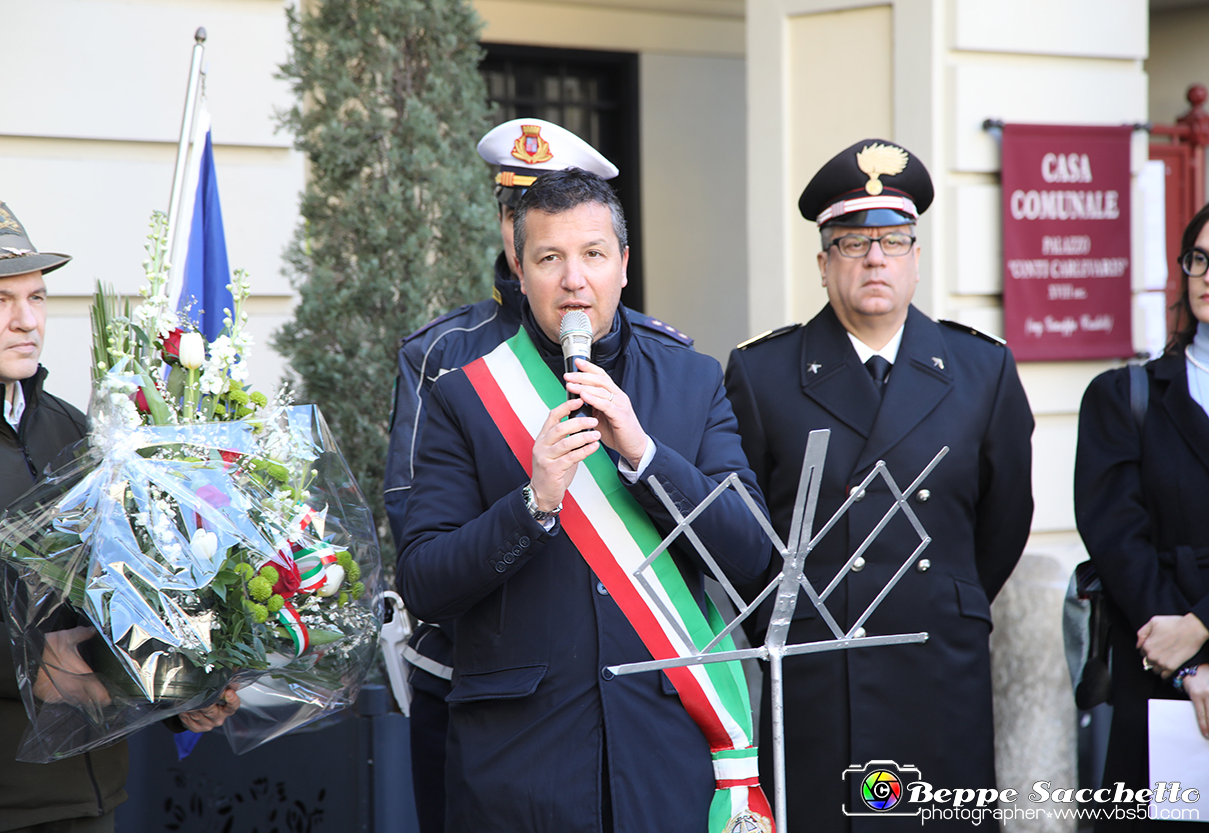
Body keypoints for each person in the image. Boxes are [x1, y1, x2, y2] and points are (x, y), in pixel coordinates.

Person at [396, 167, 771, 833]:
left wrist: (646, 457)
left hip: (665, 751)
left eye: (593, 255)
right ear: (518, 267)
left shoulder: (691, 378)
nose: (574, 280)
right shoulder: (465, 394)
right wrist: (533, 502)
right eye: (549, 258)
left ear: (623, 265)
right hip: (520, 766)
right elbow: (425, 583)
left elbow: (751, 555)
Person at [724, 139, 1034, 830]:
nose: (874, 259)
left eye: (892, 241)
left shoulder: (983, 370)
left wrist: (943, 598)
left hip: (937, 664)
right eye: (853, 242)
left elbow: (1004, 520)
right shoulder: (764, 374)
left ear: (916, 258)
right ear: (824, 261)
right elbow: (741, 536)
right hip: (819, 674)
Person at [0, 184, 237, 833]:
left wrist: (177, 688)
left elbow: (120, 598)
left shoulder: (79, 432)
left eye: (36, 296)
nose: (26, 319)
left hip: (92, 792)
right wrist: (34, 661)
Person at [1074, 201, 1209, 830]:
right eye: (1199, 259)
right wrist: (1184, 659)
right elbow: (1115, 536)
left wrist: (1201, 629)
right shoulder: (1123, 396)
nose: (1206, 274)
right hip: (1155, 668)